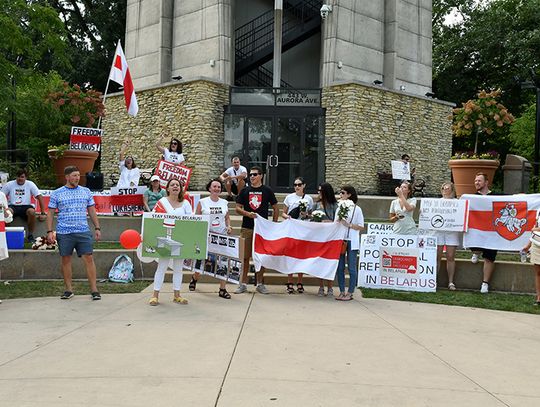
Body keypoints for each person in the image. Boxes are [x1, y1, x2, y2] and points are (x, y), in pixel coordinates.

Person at [46, 166, 101, 300]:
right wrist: (49, 231)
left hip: (83, 230)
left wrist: (97, 228)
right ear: (67, 177)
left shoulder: (86, 191)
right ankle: (68, 289)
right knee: (66, 259)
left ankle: (94, 290)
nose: (77, 178)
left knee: (89, 258)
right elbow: (50, 213)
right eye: (74, 176)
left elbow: (92, 210)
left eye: (78, 175)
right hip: (64, 231)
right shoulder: (57, 193)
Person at [235, 166, 279, 294]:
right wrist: (247, 213)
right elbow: (237, 208)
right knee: (245, 257)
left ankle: (260, 283)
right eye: (251, 175)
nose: (252, 177)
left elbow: (276, 208)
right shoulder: (245, 190)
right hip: (247, 227)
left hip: (263, 229)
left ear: (261, 176)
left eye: (254, 174)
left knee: (261, 257)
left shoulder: (267, 190)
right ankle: (243, 283)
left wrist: (273, 225)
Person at [149, 178, 192, 305]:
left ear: (181, 188)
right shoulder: (161, 202)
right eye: (172, 185)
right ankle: (155, 295)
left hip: (180, 239)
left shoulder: (185, 203)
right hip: (165, 239)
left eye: (177, 185)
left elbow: (191, 221)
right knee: (162, 266)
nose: (175, 187)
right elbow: (153, 219)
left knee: (178, 268)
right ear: (167, 188)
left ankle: (177, 295)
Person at [189, 178, 233, 299]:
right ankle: (194, 278)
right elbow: (197, 218)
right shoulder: (203, 202)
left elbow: (227, 218)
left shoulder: (224, 203)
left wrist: (229, 226)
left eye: (219, 187)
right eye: (214, 186)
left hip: (221, 237)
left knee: (223, 262)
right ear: (209, 188)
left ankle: (222, 289)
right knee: (202, 260)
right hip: (206, 236)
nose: (217, 189)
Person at [282, 177, 314, 294]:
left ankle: (300, 282)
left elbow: (311, 215)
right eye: (295, 185)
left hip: (304, 230)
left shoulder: (309, 199)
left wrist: (306, 215)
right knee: (290, 256)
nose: (297, 187)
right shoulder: (289, 197)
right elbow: (283, 213)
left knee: (301, 257)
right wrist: (288, 217)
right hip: (291, 230)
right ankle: (289, 281)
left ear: (304, 185)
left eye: (299, 184)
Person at [334, 185, 365, 301]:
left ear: (349, 195)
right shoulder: (339, 207)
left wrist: (350, 225)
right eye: (340, 193)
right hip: (341, 239)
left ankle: (350, 292)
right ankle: (342, 291)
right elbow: (335, 223)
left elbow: (361, 226)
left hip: (352, 240)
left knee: (351, 267)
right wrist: (339, 221)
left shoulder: (357, 209)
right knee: (340, 267)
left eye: (343, 193)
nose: (340, 195)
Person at [469, 172, 497, 293]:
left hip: (492, 232)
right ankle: (476, 251)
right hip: (477, 231)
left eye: (479, 181)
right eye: (475, 181)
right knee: (472, 240)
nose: (476, 183)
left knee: (489, 257)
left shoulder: (495, 196)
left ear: (486, 182)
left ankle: (485, 283)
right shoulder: (472, 197)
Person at [2, 168, 47, 242]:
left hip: (26, 206)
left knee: (32, 212)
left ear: (26, 177)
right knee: (7, 212)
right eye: (18, 177)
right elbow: (1, 196)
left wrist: (43, 213)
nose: (20, 179)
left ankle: (30, 235)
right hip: (13, 206)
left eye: (22, 177)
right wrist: (3, 209)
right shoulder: (9, 184)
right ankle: (6, 234)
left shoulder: (30, 184)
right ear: (16, 177)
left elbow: (40, 197)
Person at [312, 182, 338, 297]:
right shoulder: (316, 204)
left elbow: (337, 220)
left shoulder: (333, 205)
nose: (319, 193)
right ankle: (321, 286)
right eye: (318, 190)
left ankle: (330, 287)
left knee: (329, 262)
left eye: (321, 191)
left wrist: (329, 222)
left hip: (331, 238)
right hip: (319, 237)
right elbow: (311, 218)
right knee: (320, 262)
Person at [434, 182, 461, 290]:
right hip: (439, 231)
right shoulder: (436, 202)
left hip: (452, 231)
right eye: (443, 187)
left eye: (447, 187)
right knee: (437, 256)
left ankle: (451, 282)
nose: (445, 189)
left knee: (450, 256)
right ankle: (433, 279)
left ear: (452, 189)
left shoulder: (457, 202)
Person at [521, 213, 540, 306]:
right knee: (538, 273)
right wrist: (528, 246)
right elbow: (535, 229)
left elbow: (535, 229)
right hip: (537, 244)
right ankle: (539, 297)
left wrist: (536, 229)